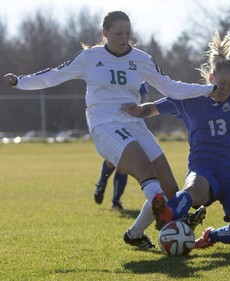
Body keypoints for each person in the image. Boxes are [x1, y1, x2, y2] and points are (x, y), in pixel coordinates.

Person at [3, 11, 216, 249]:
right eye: (118, 33)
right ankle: (167, 215)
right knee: (145, 169)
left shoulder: (141, 58)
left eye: (127, 33)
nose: (124, 38)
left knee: (170, 189)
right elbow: (53, 76)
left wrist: (209, 90)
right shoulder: (90, 58)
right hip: (105, 124)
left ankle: (136, 232)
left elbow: (171, 88)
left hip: (135, 124)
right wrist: (20, 81)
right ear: (104, 34)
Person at [122, 15, 230, 249]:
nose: (227, 89)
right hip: (204, 168)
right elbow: (153, 109)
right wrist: (136, 110)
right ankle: (170, 217)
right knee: (194, 191)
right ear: (211, 77)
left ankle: (209, 236)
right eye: (222, 83)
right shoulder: (190, 99)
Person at [94, 82, 150, 212]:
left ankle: (116, 201)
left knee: (123, 163)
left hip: (130, 122)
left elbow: (144, 96)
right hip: (111, 121)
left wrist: (138, 109)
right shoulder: (112, 70)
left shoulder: (137, 70)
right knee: (112, 160)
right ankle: (102, 183)